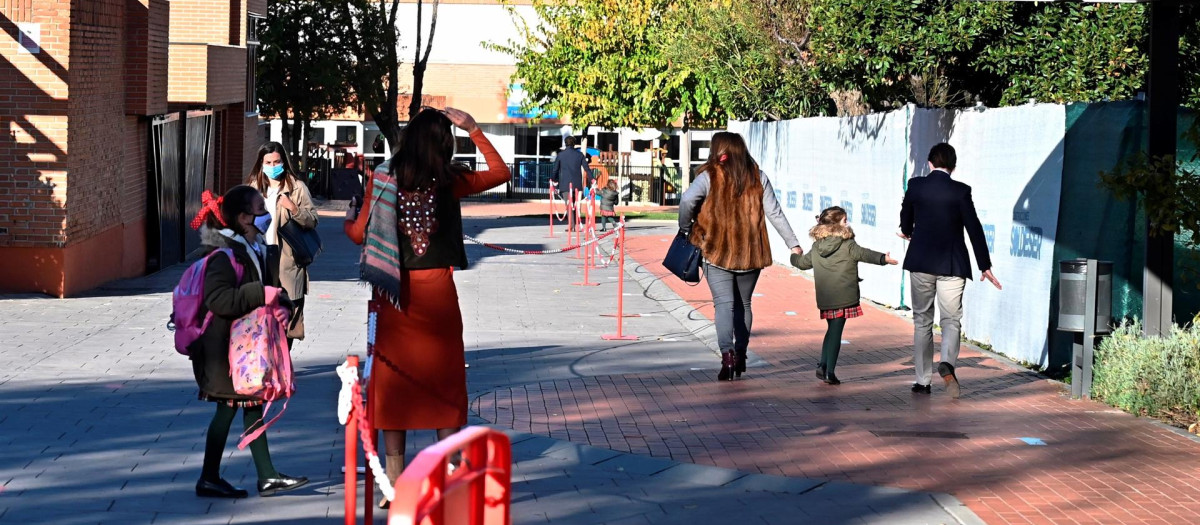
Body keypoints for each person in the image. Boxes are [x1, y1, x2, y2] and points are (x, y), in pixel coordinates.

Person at [343, 107, 509, 507]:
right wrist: (473, 127)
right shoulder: (449, 181)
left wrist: (349, 219)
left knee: (394, 385)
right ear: (444, 143)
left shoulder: (382, 178)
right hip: (438, 293)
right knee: (444, 384)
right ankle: (447, 473)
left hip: (393, 295)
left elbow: (359, 234)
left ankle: (395, 485)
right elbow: (501, 172)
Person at [189, 185, 308, 498]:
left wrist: (281, 306)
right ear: (242, 218)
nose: (266, 216)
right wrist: (261, 295)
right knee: (228, 409)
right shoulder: (223, 253)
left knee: (251, 405)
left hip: (244, 348)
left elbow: (268, 289)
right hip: (222, 350)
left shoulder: (255, 248)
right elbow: (219, 300)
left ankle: (264, 476)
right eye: (260, 211)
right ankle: (211, 477)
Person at [677, 132, 804, 382]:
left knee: (724, 305)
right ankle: (742, 354)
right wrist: (793, 244)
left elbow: (687, 199)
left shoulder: (710, 175)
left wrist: (685, 226)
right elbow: (774, 213)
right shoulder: (757, 176)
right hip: (751, 251)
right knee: (744, 305)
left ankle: (727, 355)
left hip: (717, 250)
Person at [899, 143, 1002, 397]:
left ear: (929, 163)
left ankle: (922, 380)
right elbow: (974, 228)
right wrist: (984, 265)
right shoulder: (961, 191)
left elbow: (905, 217)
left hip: (921, 262)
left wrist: (908, 231)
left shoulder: (916, 186)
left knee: (922, 320)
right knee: (951, 320)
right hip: (953, 264)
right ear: (953, 167)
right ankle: (947, 363)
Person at [790, 206, 898, 385]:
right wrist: (883, 259)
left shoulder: (817, 246)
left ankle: (823, 364)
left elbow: (803, 263)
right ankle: (829, 372)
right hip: (843, 296)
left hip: (825, 297)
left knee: (831, 329)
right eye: (844, 220)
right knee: (836, 332)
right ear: (837, 224)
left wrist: (794, 256)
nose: (847, 223)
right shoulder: (848, 244)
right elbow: (864, 254)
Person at [246, 142, 319, 348]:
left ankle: (283, 359)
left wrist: (294, 208)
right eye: (268, 162)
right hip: (259, 258)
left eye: (277, 161)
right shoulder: (253, 189)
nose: (272, 166)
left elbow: (312, 220)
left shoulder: (297, 187)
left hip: (287, 261)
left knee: (287, 315)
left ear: (284, 162)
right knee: (261, 314)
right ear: (261, 164)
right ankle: (266, 359)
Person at [550, 136, 588, 229]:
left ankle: (572, 225)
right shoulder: (580, 155)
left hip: (565, 184)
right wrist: (592, 179)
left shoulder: (561, 155)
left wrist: (553, 179)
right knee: (576, 204)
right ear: (574, 144)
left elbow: (555, 170)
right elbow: (587, 168)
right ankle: (575, 224)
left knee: (569, 205)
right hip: (577, 184)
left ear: (565, 143)